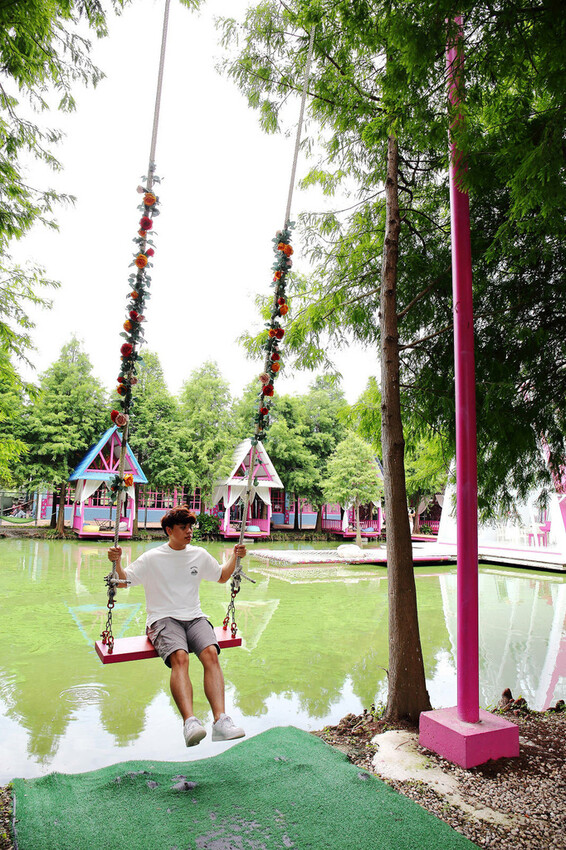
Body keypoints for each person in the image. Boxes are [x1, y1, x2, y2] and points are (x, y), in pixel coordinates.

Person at [107, 505, 247, 748]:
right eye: (183, 527)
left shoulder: (199, 554)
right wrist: (117, 562)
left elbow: (222, 576)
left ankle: (221, 721)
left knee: (211, 653)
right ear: (169, 530)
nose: (189, 531)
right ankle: (190, 722)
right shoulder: (152, 557)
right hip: (162, 620)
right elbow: (122, 582)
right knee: (180, 657)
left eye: (190, 527)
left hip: (194, 617)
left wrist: (235, 555)